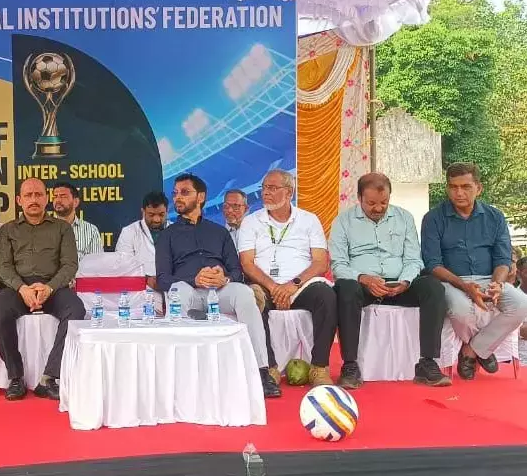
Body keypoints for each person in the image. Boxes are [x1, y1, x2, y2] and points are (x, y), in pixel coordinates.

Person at [156, 174, 281, 398]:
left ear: (201, 197)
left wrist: (225, 279)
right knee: (177, 291)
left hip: (219, 292)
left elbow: (237, 272)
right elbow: (162, 279)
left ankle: (261, 372)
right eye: (175, 193)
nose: (177, 198)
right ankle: (181, 375)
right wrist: (194, 280)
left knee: (243, 293)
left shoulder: (219, 232)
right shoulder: (167, 236)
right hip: (188, 292)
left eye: (184, 192)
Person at [330, 173, 450, 389]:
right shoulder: (343, 221)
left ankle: (427, 362)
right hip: (362, 285)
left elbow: (413, 259)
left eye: (384, 202)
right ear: (359, 197)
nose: (378, 208)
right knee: (345, 289)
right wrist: (364, 279)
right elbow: (338, 264)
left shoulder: (404, 218)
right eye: (371, 203)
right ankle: (350, 365)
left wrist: (405, 281)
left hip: (399, 285)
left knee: (433, 287)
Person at [420, 162, 527, 380]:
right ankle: (482, 350)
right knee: (460, 310)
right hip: (451, 281)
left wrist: (497, 284)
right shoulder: (433, 218)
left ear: (479, 188)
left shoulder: (495, 217)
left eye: (465, 187)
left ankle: (470, 351)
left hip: (489, 278)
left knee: (521, 304)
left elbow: (502, 258)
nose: (458, 193)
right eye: (453, 187)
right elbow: (433, 264)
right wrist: (465, 287)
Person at [238, 169, 336, 387]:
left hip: (301, 286)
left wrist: (293, 285)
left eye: (272, 188)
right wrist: (274, 287)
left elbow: (321, 262)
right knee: (252, 299)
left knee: (327, 296)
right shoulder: (251, 222)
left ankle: (319, 367)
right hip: (265, 285)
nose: (266, 193)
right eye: (264, 188)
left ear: (289, 192)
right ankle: (269, 368)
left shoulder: (309, 220)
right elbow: (247, 263)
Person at [0, 178, 86, 401]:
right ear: (19, 200)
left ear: (46, 198)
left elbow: (70, 265)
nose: (33, 200)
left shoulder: (62, 228)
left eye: (38, 195)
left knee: (76, 309)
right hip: (18, 288)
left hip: (53, 287)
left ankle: (49, 377)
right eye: (28, 195)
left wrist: (49, 287)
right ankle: (15, 377)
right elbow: (3, 266)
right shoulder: (7, 230)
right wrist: (22, 288)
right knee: (0, 309)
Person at [115, 191, 170, 290]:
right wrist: (146, 279)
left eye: (161, 214)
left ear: (167, 211)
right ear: (143, 211)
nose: (156, 219)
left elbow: (184, 264)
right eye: (151, 214)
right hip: (141, 288)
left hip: (173, 287)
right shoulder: (129, 232)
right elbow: (123, 265)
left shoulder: (177, 231)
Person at [52, 181, 103, 258]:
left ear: (76, 202)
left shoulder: (91, 231)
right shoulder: (44, 229)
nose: (58, 200)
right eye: (55, 196)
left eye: (63, 196)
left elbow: (97, 262)